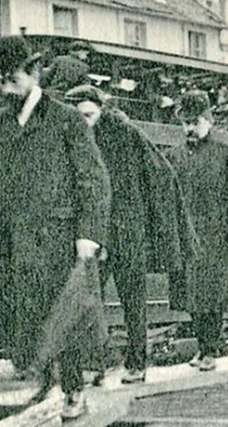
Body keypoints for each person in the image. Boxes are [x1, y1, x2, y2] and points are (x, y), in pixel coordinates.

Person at [0, 36, 111, 420]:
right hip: (18, 237)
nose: (6, 88)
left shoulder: (66, 119)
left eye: (13, 79)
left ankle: (72, 388)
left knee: (64, 314)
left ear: (34, 73)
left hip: (59, 236)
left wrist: (89, 233)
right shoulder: (1, 123)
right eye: (0, 80)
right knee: (26, 312)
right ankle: (42, 382)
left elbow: (93, 179)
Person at [66, 84, 192, 384]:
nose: (84, 120)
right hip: (93, 235)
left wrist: (148, 224)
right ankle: (94, 364)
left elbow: (158, 175)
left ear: (101, 109)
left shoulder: (126, 135)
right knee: (88, 302)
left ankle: (137, 361)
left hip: (125, 233)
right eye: (78, 115)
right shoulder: (72, 138)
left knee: (132, 301)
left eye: (89, 114)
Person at [166, 90, 228, 371]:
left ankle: (209, 349)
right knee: (191, 296)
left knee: (213, 297)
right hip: (186, 237)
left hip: (216, 238)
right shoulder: (173, 157)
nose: (189, 128)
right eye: (185, 123)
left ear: (208, 121)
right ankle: (202, 347)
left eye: (195, 122)